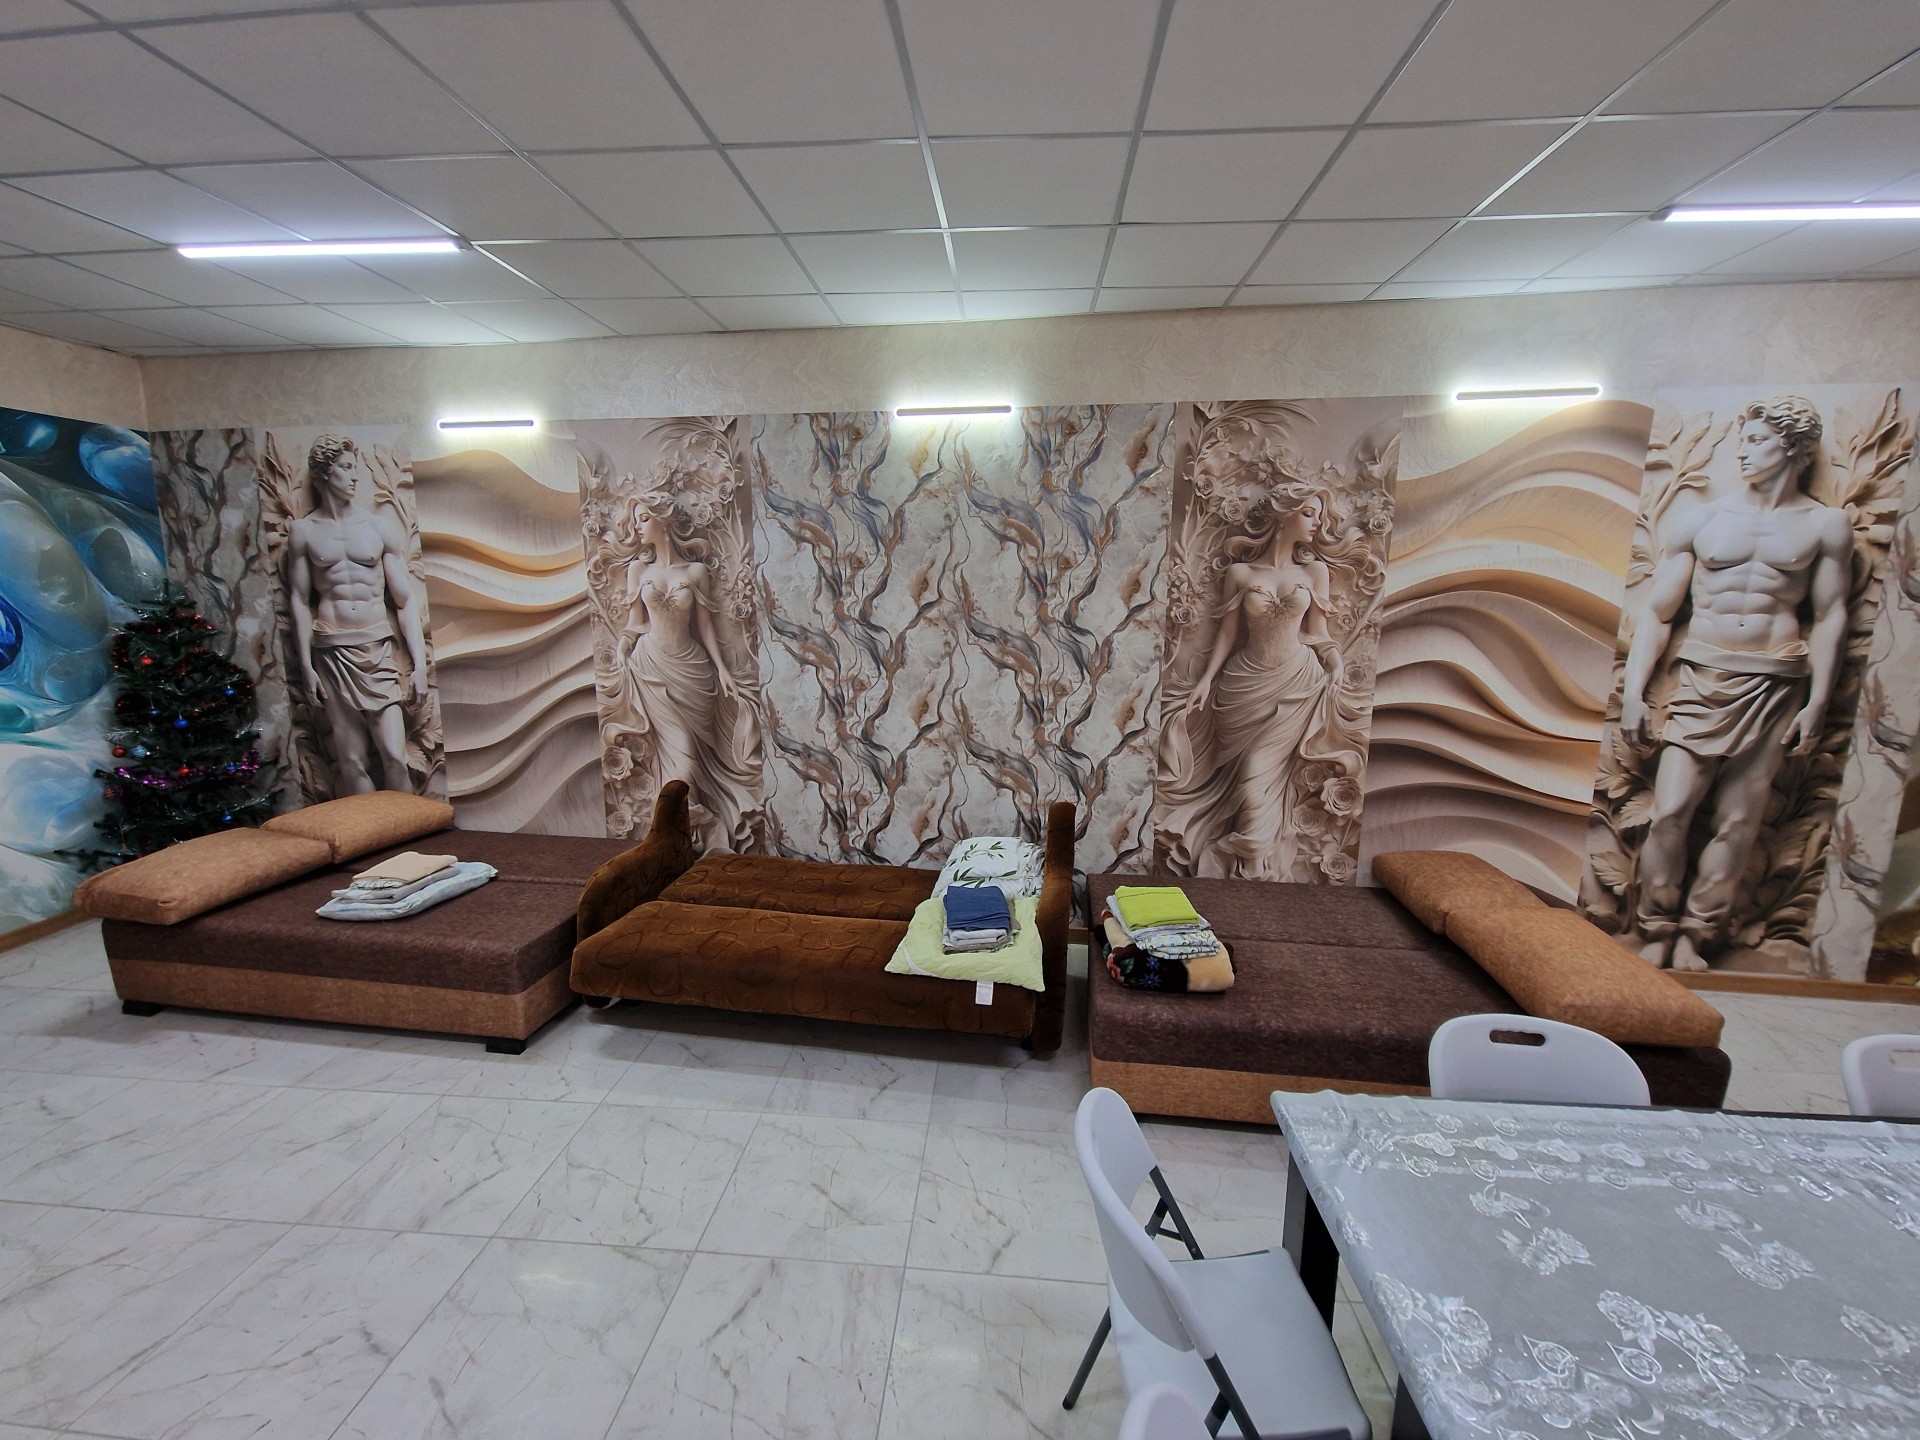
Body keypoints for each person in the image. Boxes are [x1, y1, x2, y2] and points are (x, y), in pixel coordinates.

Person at [1619, 396, 1853, 970]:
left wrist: (1818, 701)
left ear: (1792, 449)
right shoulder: (1703, 518)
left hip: (1775, 683)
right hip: (1702, 677)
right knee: (1670, 811)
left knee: (1739, 820)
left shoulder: (1825, 525)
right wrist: (1634, 694)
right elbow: (1659, 613)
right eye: (1742, 440)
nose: (1742, 453)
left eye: (1756, 441)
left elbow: (1830, 616)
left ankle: (1696, 933)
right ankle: (1656, 925)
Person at [1159, 480, 1357, 879]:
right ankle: (1246, 874)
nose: (1316, 523)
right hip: (1243, 687)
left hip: (1295, 685)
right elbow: (1227, 635)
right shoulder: (1241, 572)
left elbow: (1318, 632)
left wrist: (1335, 663)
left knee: (1256, 779)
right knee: (1245, 784)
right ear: (1283, 515)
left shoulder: (1315, 571)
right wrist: (1205, 681)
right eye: (1308, 513)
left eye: (1319, 516)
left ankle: (1251, 867)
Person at [284, 435, 429, 794]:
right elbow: (299, 601)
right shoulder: (304, 532)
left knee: (394, 755)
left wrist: (420, 666)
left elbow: (404, 601)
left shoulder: (377, 527)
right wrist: (306, 666)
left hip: (376, 648)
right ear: (325, 472)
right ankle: (372, 830)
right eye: (346, 468)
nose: (354, 477)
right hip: (332, 651)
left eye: (355, 468)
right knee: (351, 760)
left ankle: (405, 823)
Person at [616, 509, 760, 853]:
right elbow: (635, 622)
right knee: (681, 758)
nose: (637, 527)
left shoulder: (695, 571)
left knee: (691, 759)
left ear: (663, 520)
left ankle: (686, 839)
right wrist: (622, 647)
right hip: (652, 669)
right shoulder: (638, 570)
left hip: (692, 672)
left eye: (643, 518)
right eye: (635, 520)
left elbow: (705, 626)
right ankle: (694, 830)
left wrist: (722, 669)